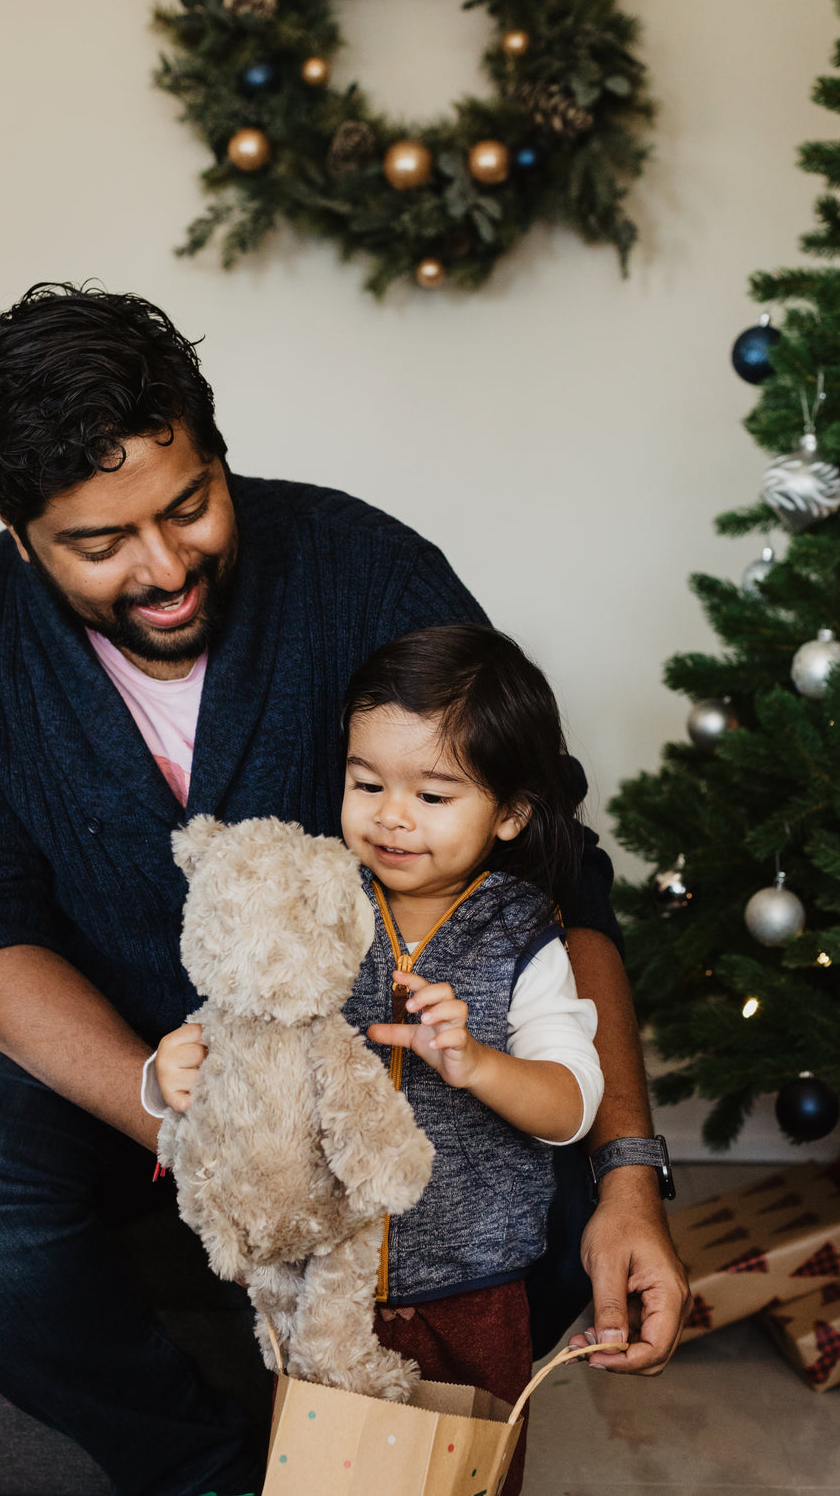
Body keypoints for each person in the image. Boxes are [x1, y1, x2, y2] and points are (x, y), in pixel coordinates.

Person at [0, 282, 689, 1496]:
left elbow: (557, 879)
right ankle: (212, 1474)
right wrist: (192, 1129)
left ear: (219, 454)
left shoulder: (363, 565)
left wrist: (630, 1177)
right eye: (100, 544)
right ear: (22, 538)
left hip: (374, 1044)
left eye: (190, 506)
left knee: (521, 1207)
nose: (165, 565)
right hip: (113, 1050)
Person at [152, 624, 608, 1495]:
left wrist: (474, 1061)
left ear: (510, 811)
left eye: (433, 795)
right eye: (367, 785)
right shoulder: (315, 893)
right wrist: (166, 1071)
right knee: (325, 1473)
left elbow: (571, 1102)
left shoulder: (520, 935)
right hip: (323, 1281)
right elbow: (233, 1017)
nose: (391, 816)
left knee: (465, 1473)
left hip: (471, 1285)